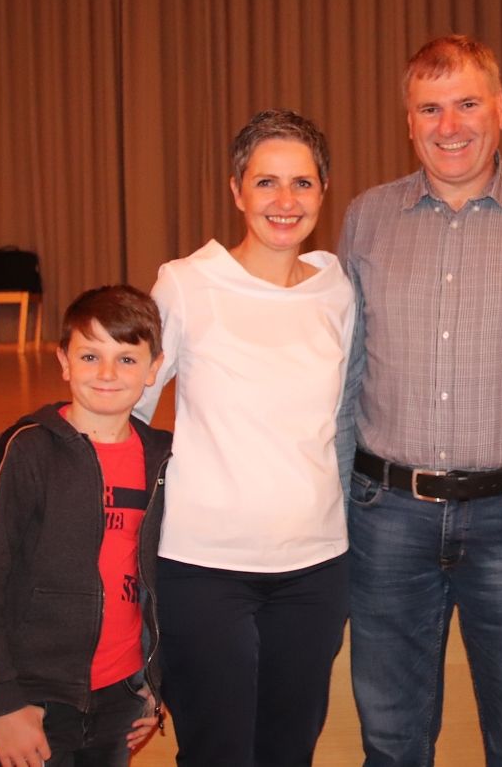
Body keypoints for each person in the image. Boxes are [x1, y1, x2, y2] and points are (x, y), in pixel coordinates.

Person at [337, 34, 502, 766]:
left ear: (501, 110)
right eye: (430, 109)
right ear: (408, 121)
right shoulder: (366, 218)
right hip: (386, 518)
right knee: (391, 744)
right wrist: (333, 504)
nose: (449, 126)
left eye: (466, 104)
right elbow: (348, 374)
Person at [133, 109, 354, 767]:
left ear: (323, 190)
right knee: (217, 755)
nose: (285, 201)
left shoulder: (337, 289)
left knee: (289, 754)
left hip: (315, 570)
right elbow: (134, 408)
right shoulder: (186, 283)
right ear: (236, 191)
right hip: (205, 569)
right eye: (266, 182)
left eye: (302, 183)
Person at [0, 284, 170, 767]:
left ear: (154, 368)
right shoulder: (25, 449)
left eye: (127, 359)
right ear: (64, 362)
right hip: (35, 700)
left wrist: (155, 680)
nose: (107, 373)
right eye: (90, 357)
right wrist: (1, 702)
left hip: (121, 698)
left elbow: (169, 581)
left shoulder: (164, 458)